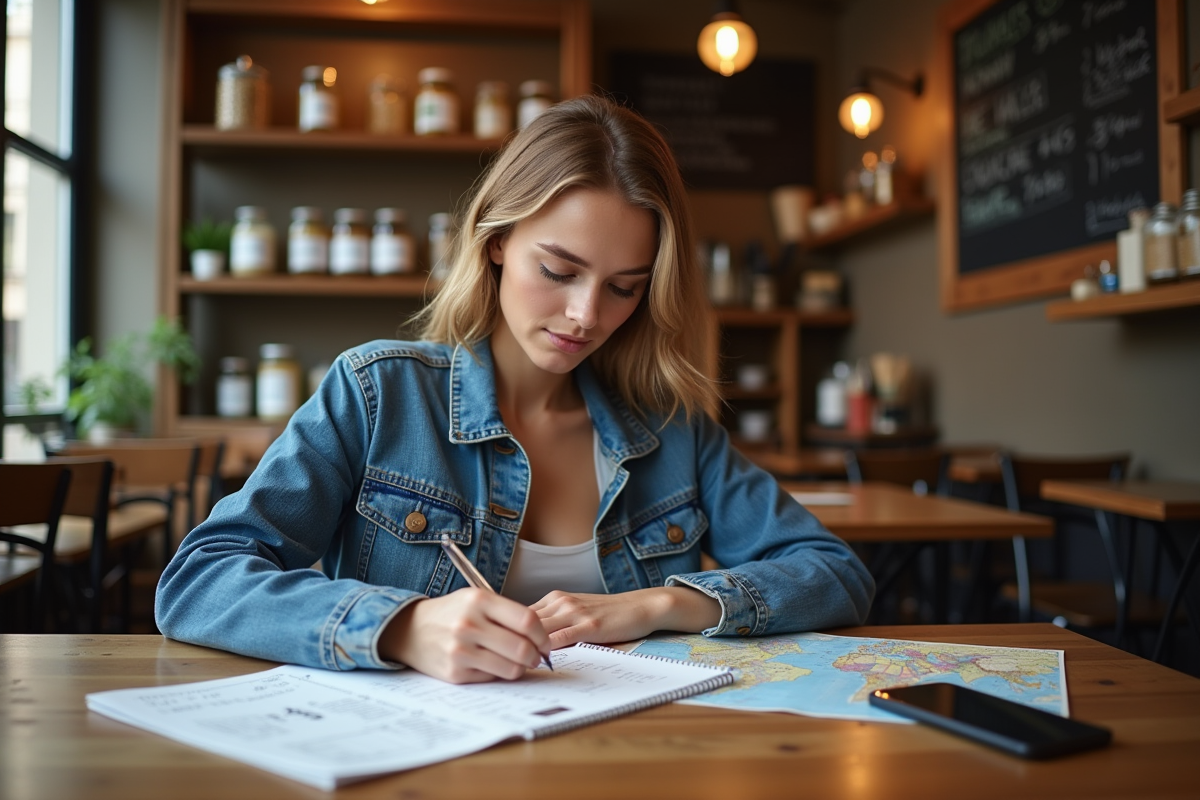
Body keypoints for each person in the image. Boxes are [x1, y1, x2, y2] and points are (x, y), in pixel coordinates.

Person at [156, 95, 873, 683]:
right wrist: (401, 626)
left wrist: (659, 605)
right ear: (496, 240)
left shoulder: (673, 430)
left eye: (624, 289)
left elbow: (837, 574)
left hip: (635, 760)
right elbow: (199, 581)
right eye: (558, 271)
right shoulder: (378, 395)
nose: (586, 316)